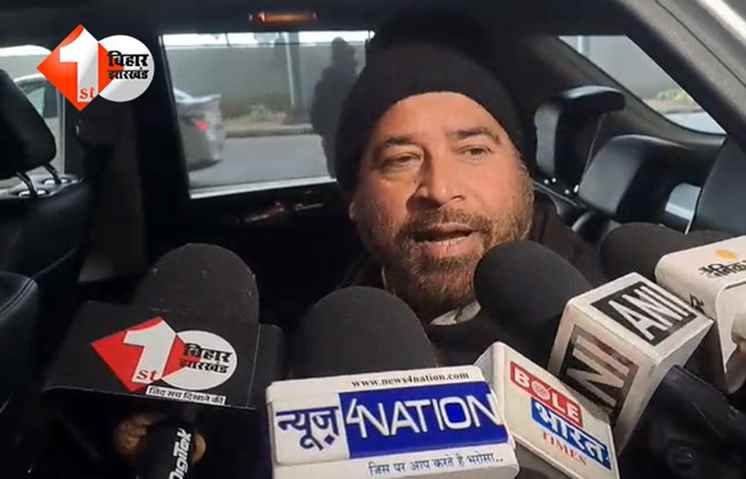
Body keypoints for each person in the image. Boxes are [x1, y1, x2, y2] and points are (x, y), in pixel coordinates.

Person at [333, 42, 603, 365]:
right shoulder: (341, 317)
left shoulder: (599, 324)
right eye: (402, 159)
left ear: (524, 173)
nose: (440, 190)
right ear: (354, 198)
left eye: (474, 151)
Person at [310, 37, 358, 177]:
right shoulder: (354, 85)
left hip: (333, 139)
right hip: (350, 139)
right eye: (350, 57)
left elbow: (316, 117)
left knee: (337, 177)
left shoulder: (324, 85)